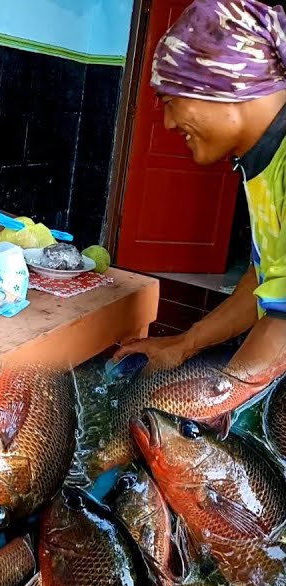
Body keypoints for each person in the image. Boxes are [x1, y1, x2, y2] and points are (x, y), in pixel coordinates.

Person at [112, 0, 286, 394]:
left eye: (172, 101)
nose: (170, 122)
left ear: (226, 88)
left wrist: (208, 412)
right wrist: (182, 345)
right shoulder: (263, 160)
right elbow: (267, 282)